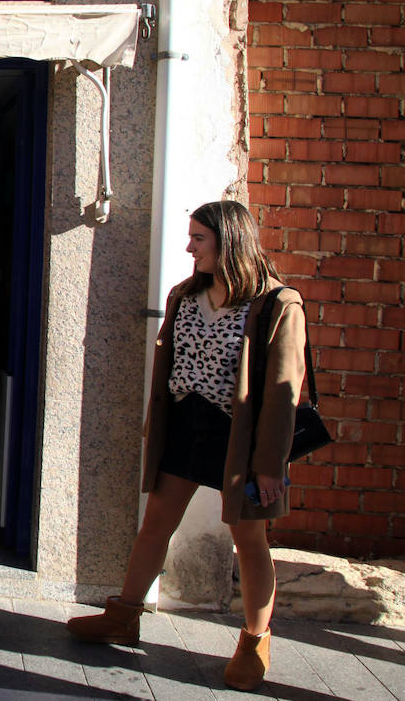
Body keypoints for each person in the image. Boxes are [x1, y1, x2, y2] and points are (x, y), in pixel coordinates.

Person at [66, 200, 307, 692]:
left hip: (239, 437)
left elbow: (286, 392)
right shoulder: (185, 295)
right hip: (184, 425)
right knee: (156, 523)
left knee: (250, 540)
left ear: (228, 241)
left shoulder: (278, 305)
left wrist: (269, 465)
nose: (188, 247)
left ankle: (255, 641)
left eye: (199, 238)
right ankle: (124, 616)